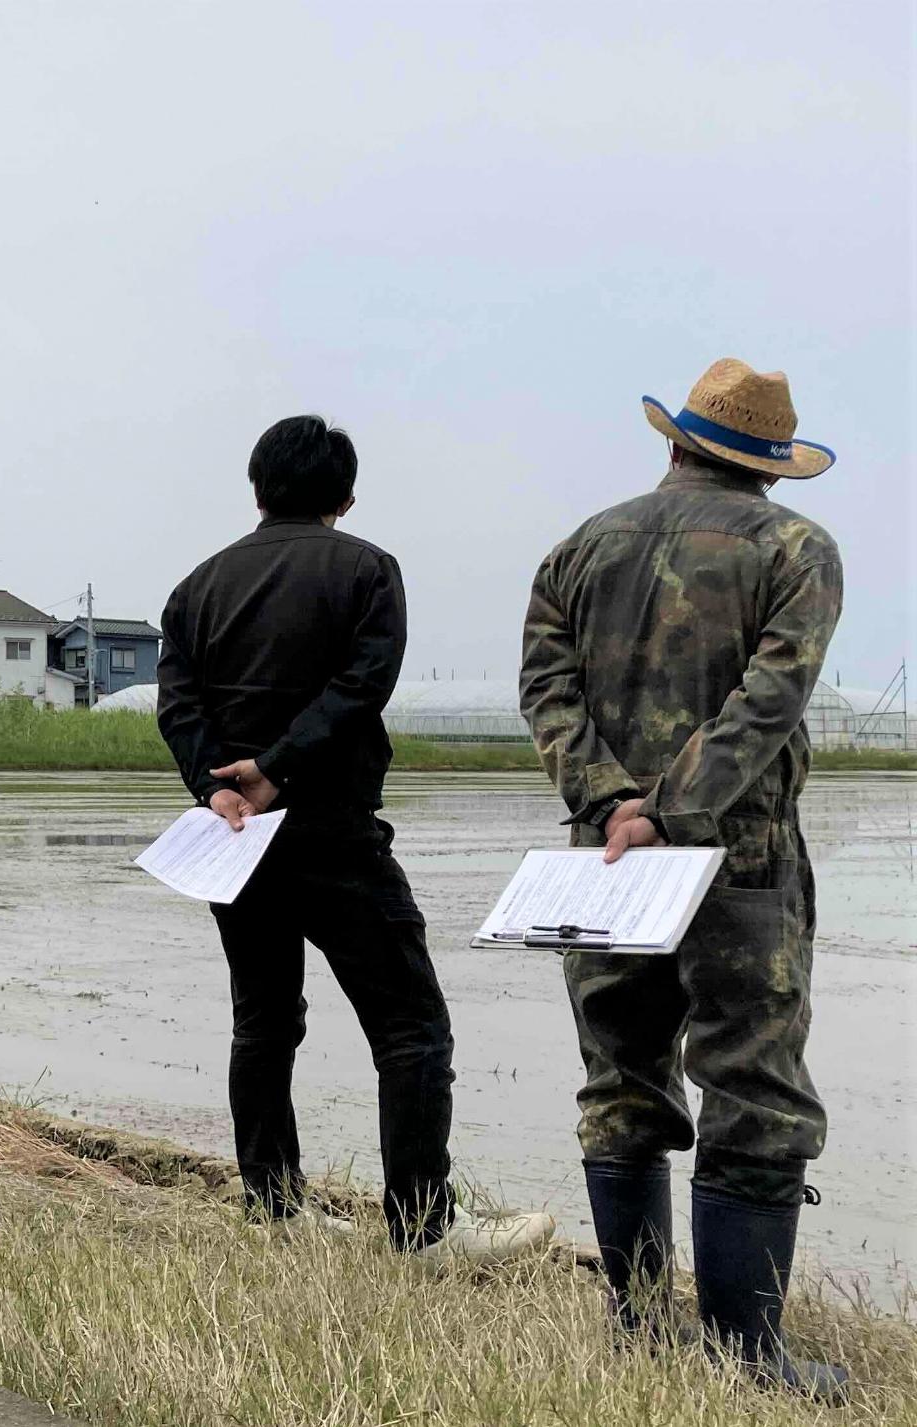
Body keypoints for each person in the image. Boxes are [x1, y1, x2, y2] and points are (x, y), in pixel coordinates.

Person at [519, 359, 845, 1398]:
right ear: (768, 470)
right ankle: (747, 1355)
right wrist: (676, 807)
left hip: (604, 858)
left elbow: (544, 686)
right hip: (737, 858)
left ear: (673, 442)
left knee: (620, 1078)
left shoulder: (579, 547)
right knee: (752, 1086)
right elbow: (767, 700)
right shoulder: (795, 549)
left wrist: (612, 800)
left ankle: (639, 1324)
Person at [159, 414, 555, 1264]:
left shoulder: (196, 588)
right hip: (333, 830)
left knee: (262, 1021)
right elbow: (361, 686)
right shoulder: (367, 569)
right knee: (411, 1027)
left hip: (238, 838)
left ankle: (273, 1205)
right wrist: (279, 768)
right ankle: (422, 1228)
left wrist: (221, 786)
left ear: (257, 489)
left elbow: (178, 704)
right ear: (345, 495)